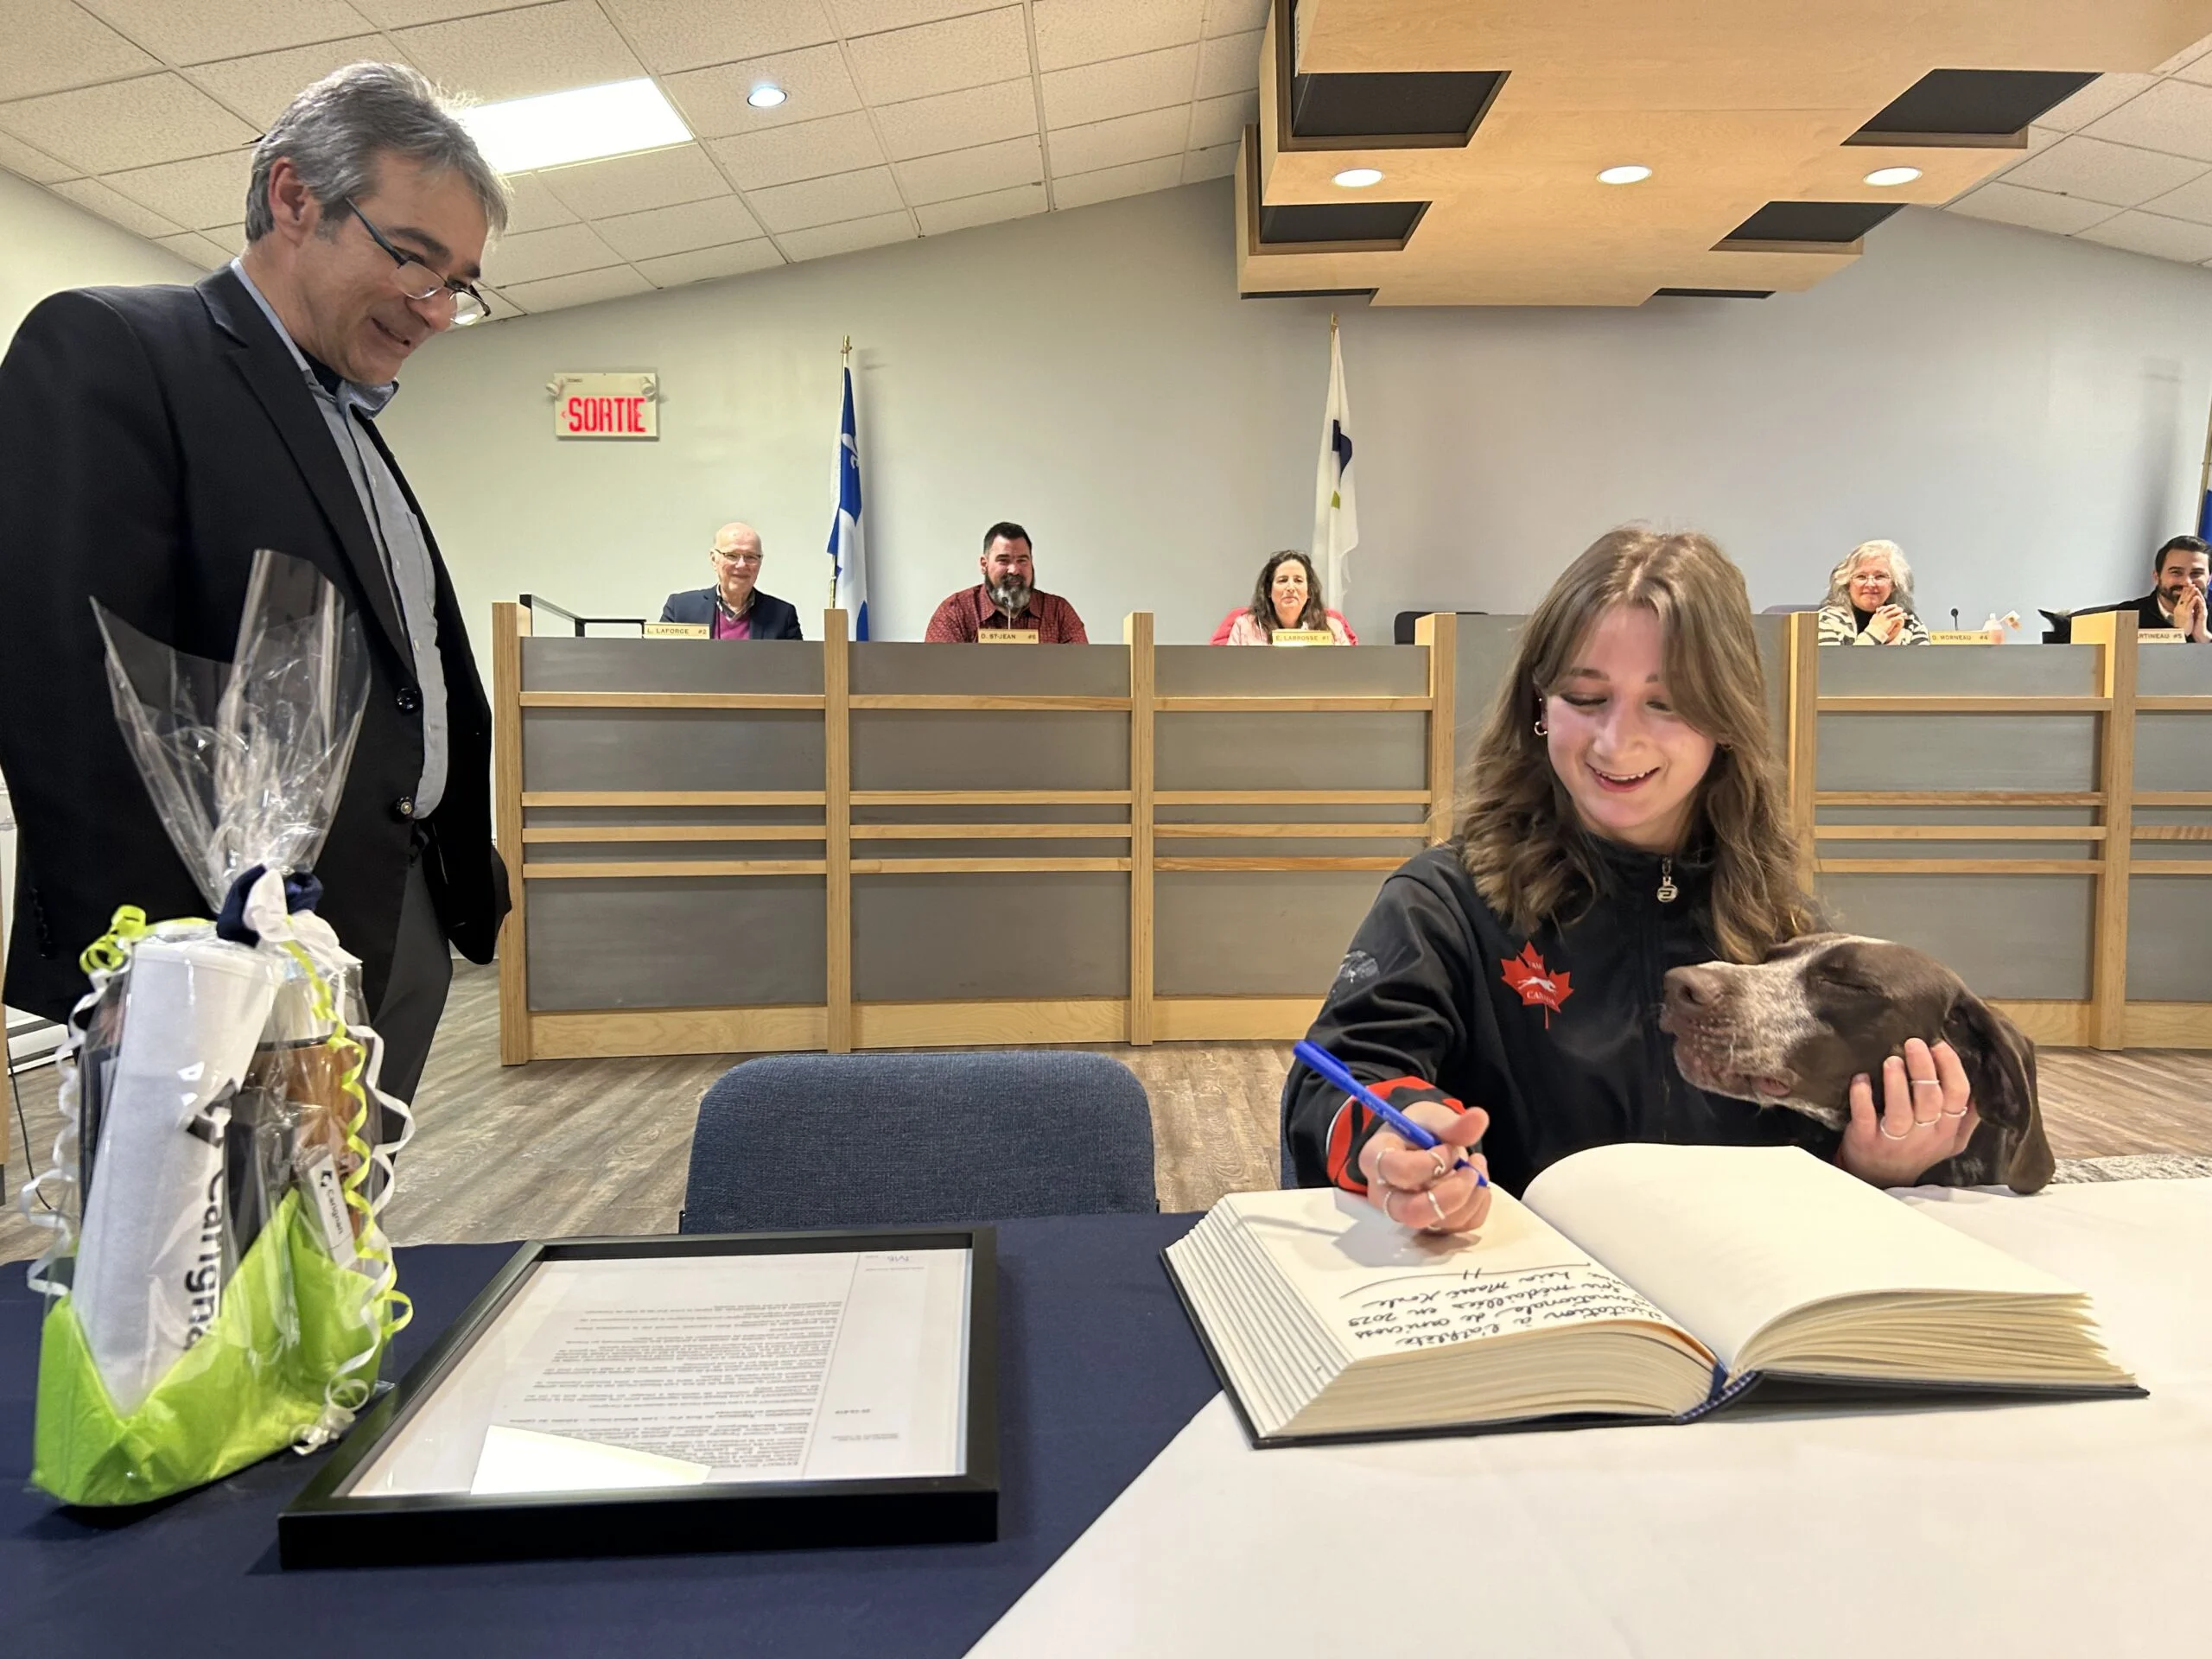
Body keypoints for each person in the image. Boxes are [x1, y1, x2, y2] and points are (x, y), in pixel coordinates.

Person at [0, 63, 512, 1109]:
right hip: (216, 966)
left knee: (340, 1261)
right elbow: (63, 691)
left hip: (392, 921)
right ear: (293, 199)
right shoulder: (115, 349)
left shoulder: (351, 421)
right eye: (414, 258)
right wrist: (158, 982)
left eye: (458, 282)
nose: (435, 311)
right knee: (213, 1270)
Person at [1282, 529, 1986, 1236]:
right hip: (1521, 1303)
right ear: (1540, 704)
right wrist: (1402, 1134)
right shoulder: (1443, 903)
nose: (1618, 743)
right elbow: (1338, 1077)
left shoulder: (1785, 934)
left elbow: (1808, 1186)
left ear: (1727, 720)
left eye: (1668, 703)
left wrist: (1876, 1164)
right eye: (1586, 697)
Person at [924, 522, 1089, 643]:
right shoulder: (955, 612)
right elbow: (937, 677)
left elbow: (1084, 675)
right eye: (1004, 560)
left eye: (1022, 560)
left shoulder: (1059, 613)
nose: (1014, 570)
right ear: (984, 564)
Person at [659, 522, 804, 639]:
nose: (741, 565)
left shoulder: (783, 616)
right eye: (732, 555)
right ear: (713, 559)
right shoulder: (680, 609)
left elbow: (796, 670)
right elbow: (657, 663)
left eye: (751, 557)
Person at [2074, 535, 2211, 642]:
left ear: (2209, 579)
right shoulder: (2123, 617)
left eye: (2196, 574)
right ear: (2157, 577)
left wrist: (2204, 637)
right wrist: (2177, 635)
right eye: (2176, 572)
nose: (2187, 582)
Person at [1215, 550, 1358, 645]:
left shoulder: (1332, 627)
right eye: (1283, 580)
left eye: (1298, 580)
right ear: (1269, 591)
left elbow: (1349, 675)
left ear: (1309, 591)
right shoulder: (1244, 626)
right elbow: (1230, 676)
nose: (1290, 588)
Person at [1816, 539, 1929, 645]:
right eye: (1861, 577)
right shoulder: (1826, 621)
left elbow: (1924, 665)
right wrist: (1876, 632)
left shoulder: (1910, 623)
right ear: (1847, 584)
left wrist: (1892, 644)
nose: (1870, 584)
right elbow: (1834, 666)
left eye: (1880, 576)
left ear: (1894, 584)